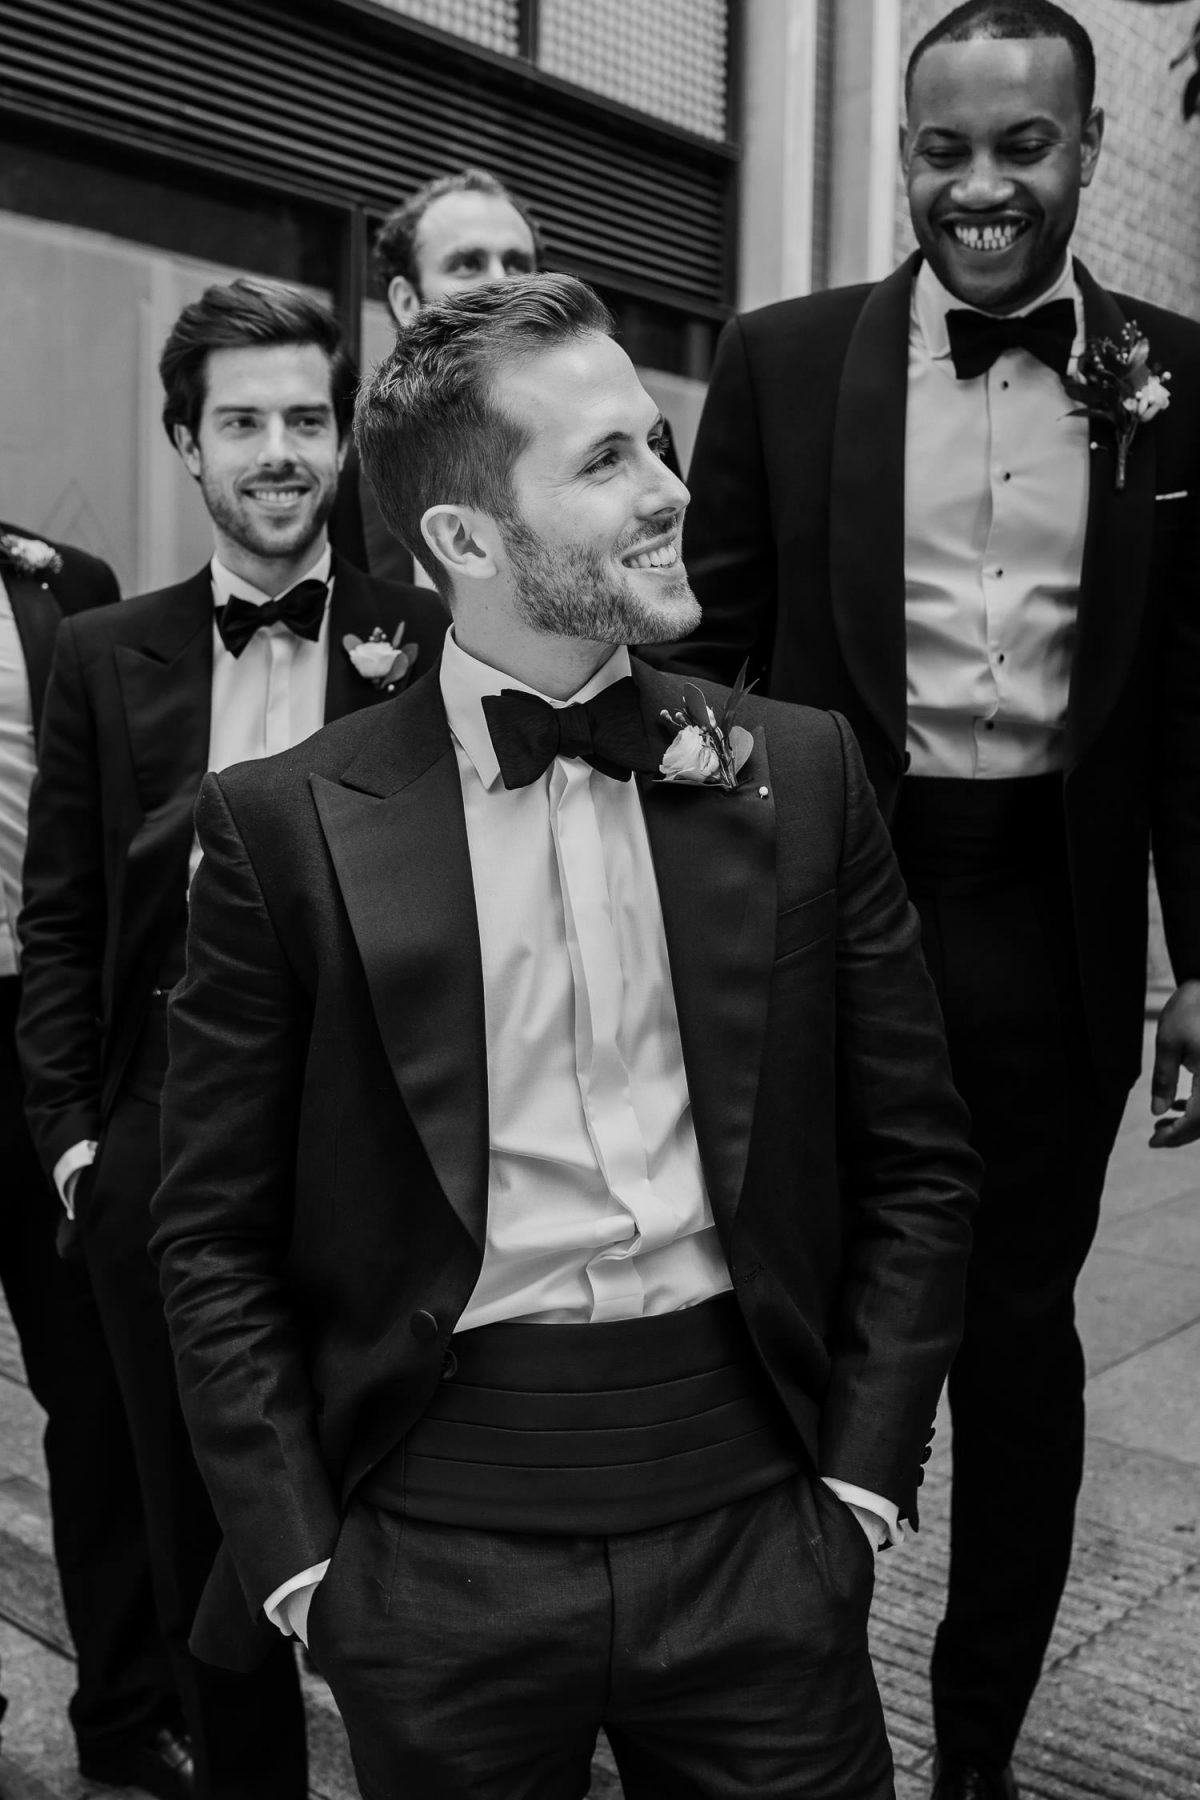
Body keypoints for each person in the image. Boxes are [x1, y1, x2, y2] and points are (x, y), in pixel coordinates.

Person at [150, 272, 979, 1800]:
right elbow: (209, 1232)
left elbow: (919, 1162)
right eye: (607, 462)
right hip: (434, 1560)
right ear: (465, 539)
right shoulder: (284, 827)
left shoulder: (803, 775)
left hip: (762, 1533)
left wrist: (859, 1485)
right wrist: (308, 1573)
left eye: (658, 445)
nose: (672, 491)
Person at [664, 4, 1200, 1795]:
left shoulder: (1179, 384)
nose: (979, 188)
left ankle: (977, 1755)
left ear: (1090, 149)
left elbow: (1196, 705)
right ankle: (799, 1723)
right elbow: (711, 666)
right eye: (942, 150)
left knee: (1019, 1347)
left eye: (1020, 148)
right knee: (803, 1337)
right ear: (903, 155)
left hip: (1053, 928)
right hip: (831, 922)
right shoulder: (783, 362)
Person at [16, 277, 446, 1800]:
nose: (279, 450)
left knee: (397, 1519)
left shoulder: (430, 634)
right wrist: (76, 1142)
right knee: (198, 1532)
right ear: (187, 447)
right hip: (163, 1158)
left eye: (306, 419)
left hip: (383, 1160)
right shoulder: (102, 655)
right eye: (242, 422)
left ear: (343, 441)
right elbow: (60, 920)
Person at [0, 524, 192, 1797]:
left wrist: (76, 1121)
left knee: (102, 1401)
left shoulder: (61, 586)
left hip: (31, 1031)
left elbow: (89, 857)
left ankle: (127, 1717)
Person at [329, 166, 679, 580]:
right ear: (407, 300)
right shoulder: (339, 468)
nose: (500, 282)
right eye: (467, 264)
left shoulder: (637, 433)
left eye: (517, 263)